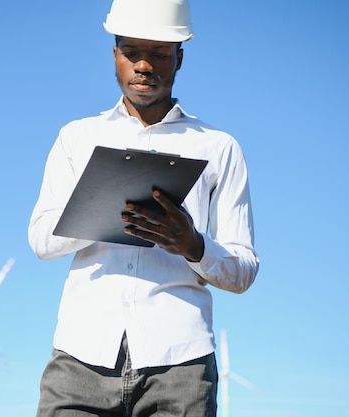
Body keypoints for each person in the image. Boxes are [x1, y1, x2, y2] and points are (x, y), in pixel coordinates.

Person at [28, 0, 259, 415]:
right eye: (132, 51)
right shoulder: (77, 138)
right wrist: (103, 209)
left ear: (179, 59)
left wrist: (193, 245)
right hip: (80, 359)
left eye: (159, 54)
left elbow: (243, 269)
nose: (144, 66)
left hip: (181, 366)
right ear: (114, 54)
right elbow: (41, 242)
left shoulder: (218, 148)